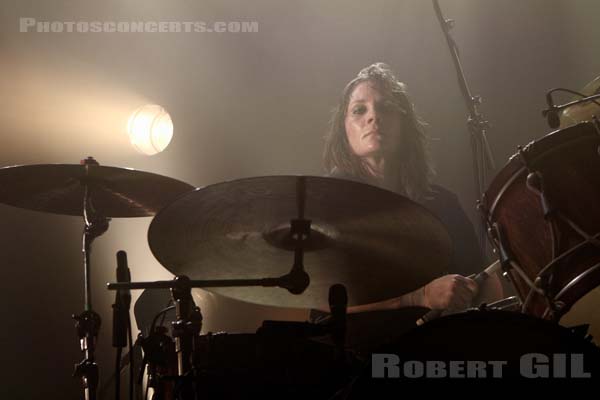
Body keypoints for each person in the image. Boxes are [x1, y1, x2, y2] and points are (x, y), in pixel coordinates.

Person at [318, 62, 502, 317]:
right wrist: (421, 296)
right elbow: (321, 300)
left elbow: (484, 280)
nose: (373, 116)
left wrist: (478, 300)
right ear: (343, 130)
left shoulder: (442, 202)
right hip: (352, 347)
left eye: (386, 108)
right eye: (359, 110)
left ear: (405, 125)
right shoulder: (326, 201)